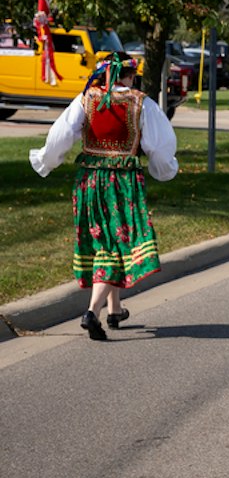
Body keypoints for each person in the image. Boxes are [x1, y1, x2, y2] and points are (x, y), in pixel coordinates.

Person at [28, 53, 180, 339]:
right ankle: (92, 311)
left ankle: (114, 310)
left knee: (104, 240)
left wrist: (47, 161)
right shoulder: (140, 102)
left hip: (89, 181)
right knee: (114, 243)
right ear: (129, 75)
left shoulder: (86, 99)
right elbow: (159, 147)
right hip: (123, 183)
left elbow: (60, 136)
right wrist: (165, 169)